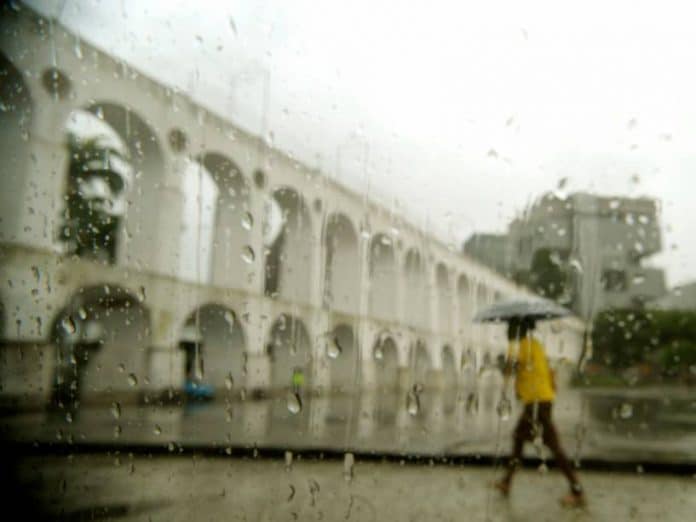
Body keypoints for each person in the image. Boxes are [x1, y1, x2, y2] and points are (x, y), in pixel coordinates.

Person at [494, 317, 585, 508]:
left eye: (509, 327)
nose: (507, 331)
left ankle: (577, 491)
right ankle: (506, 482)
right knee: (519, 439)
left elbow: (510, 369)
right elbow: (541, 372)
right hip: (540, 400)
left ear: (517, 329)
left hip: (537, 403)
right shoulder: (535, 344)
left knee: (553, 446)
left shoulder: (521, 345)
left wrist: (501, 363)